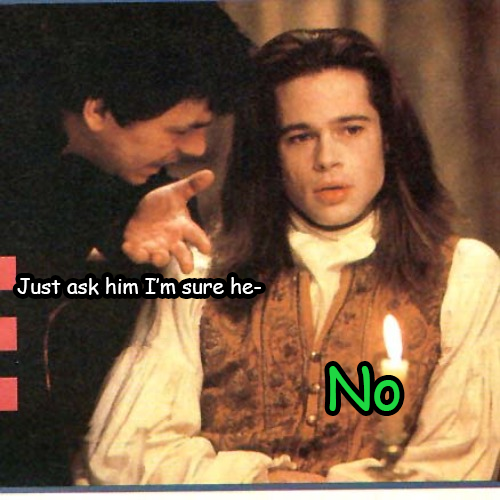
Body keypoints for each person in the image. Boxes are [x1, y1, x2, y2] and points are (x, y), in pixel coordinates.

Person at [78, 28, 499, 484]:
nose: (327, 158)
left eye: (351, 129)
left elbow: (455, 466)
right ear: (270, 152)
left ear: (388, 138)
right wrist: (257, 482)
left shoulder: (464, 273)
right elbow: (121, 457)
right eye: (299, 137)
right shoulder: (198, 270)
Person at [0, 3, 252, 486]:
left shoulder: (153, 190)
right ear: (98, 110)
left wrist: (127, 233)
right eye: (181, 129)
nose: (199, 148)